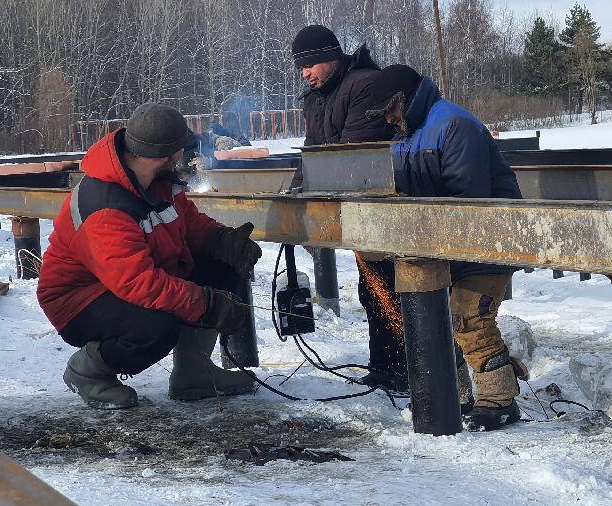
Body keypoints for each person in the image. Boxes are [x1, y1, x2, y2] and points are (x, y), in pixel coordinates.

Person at [37, 103, 263, 410]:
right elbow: (138, 283)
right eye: (184, 149)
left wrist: (221, 241)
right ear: (168, 154)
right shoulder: (105, 207)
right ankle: (88, 371)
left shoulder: (156, 179)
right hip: (79, 300)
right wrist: (204, 304)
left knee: (224, 264)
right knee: (156, 328)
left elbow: (187, 221)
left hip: (130, 278)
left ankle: (193, 374)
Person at [365, 64, 527, 431]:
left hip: (486, 241)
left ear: (406, 100)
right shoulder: (410, 133)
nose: (389, 119)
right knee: (438, 320)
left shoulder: (453, 126)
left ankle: (500, 400)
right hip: (443, 242)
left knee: (468, 317)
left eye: (391, 109)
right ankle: (456, 396)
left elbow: (466, 203)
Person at [290, 25, 406, 393]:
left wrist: (315, 196)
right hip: (353, 206)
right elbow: (313, 151)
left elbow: (351, 151)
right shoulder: (316, 97)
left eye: (309, 65)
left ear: (331, 57)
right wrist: (295, 195)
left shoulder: (363, 84)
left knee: (393, 285)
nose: (304, 73)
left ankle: (409, 364)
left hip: (383, 203)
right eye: (300, 68)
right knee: (371, 287)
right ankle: (386, 364)